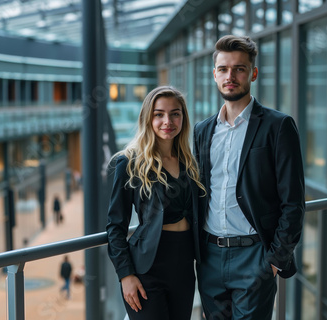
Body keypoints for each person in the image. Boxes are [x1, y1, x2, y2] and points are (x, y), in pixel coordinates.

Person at [193, 35, 305, 319]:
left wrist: (274, 261)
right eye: (223, 69)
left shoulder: (278, 126)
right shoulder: (202, 131)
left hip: (255, 256)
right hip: (209, 256)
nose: (230, 76)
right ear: (214, 74)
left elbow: (293, 201)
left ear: (253, 73)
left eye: (239, 69)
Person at [106, 86, 206, 319]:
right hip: (146, 270)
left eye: (175, 113)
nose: (167, 121)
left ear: (183, 117)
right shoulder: (129, 162)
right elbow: (115, 226)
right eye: (158, 114)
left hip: (183, 268)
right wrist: (125, 275)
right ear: (147, 118)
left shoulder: (188, 162)